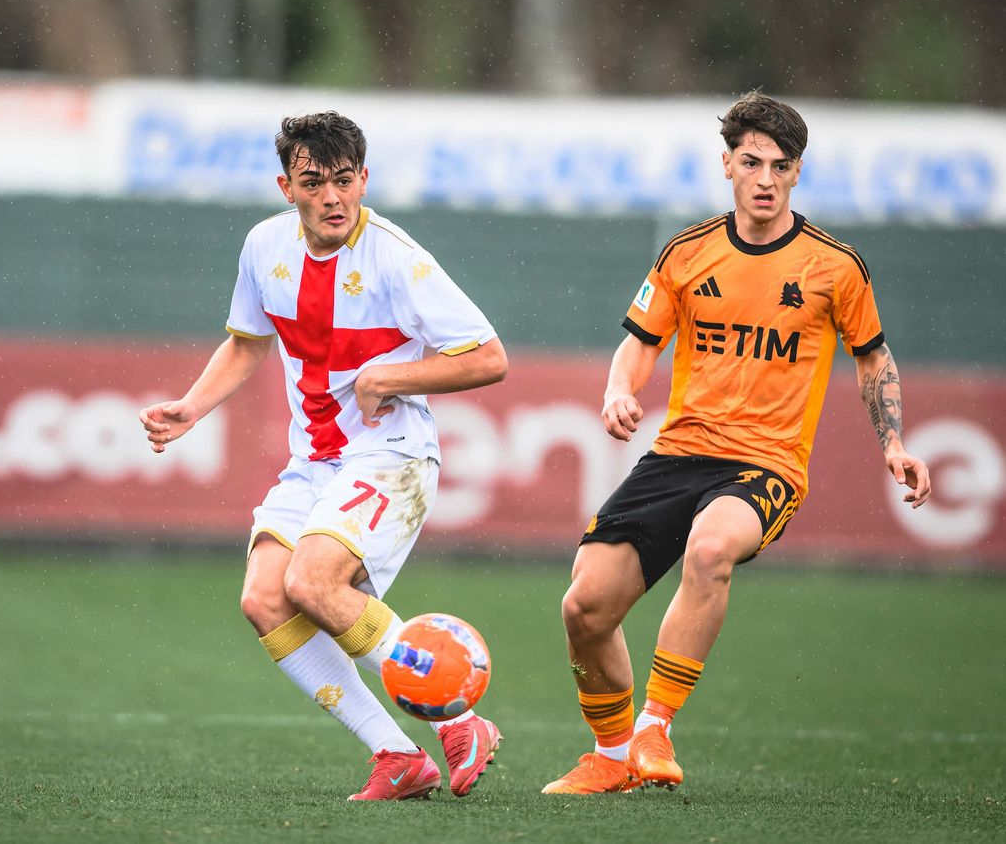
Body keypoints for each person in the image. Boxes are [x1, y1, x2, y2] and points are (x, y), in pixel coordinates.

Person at [542, 91, 932, 795]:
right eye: (750, 162)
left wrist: (893, 442)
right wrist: (618, 391)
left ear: (796, 173)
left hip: (765, 464)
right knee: (584, 606)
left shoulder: (833, 267)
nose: (763, 178)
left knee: (711, 546)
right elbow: (638, 343)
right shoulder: (687, 253)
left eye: (778, 165)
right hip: (678, 452)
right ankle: (609, 756)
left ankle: (654, 725)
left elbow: (872, 357)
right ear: (726, 165)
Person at [140, 112, 509, 801]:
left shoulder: (398, 259)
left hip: (391, 454)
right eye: (315, 182)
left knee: (312, 583)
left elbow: (489, 359)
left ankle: (461, 718)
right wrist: (192, 406)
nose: (333, 197)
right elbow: (249, 342)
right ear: (287, 186)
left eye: (345, 181)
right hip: (314, 463)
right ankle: (397, 756)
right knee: (263, 598)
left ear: (364, 180)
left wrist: (391, 376)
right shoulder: (263, 247)